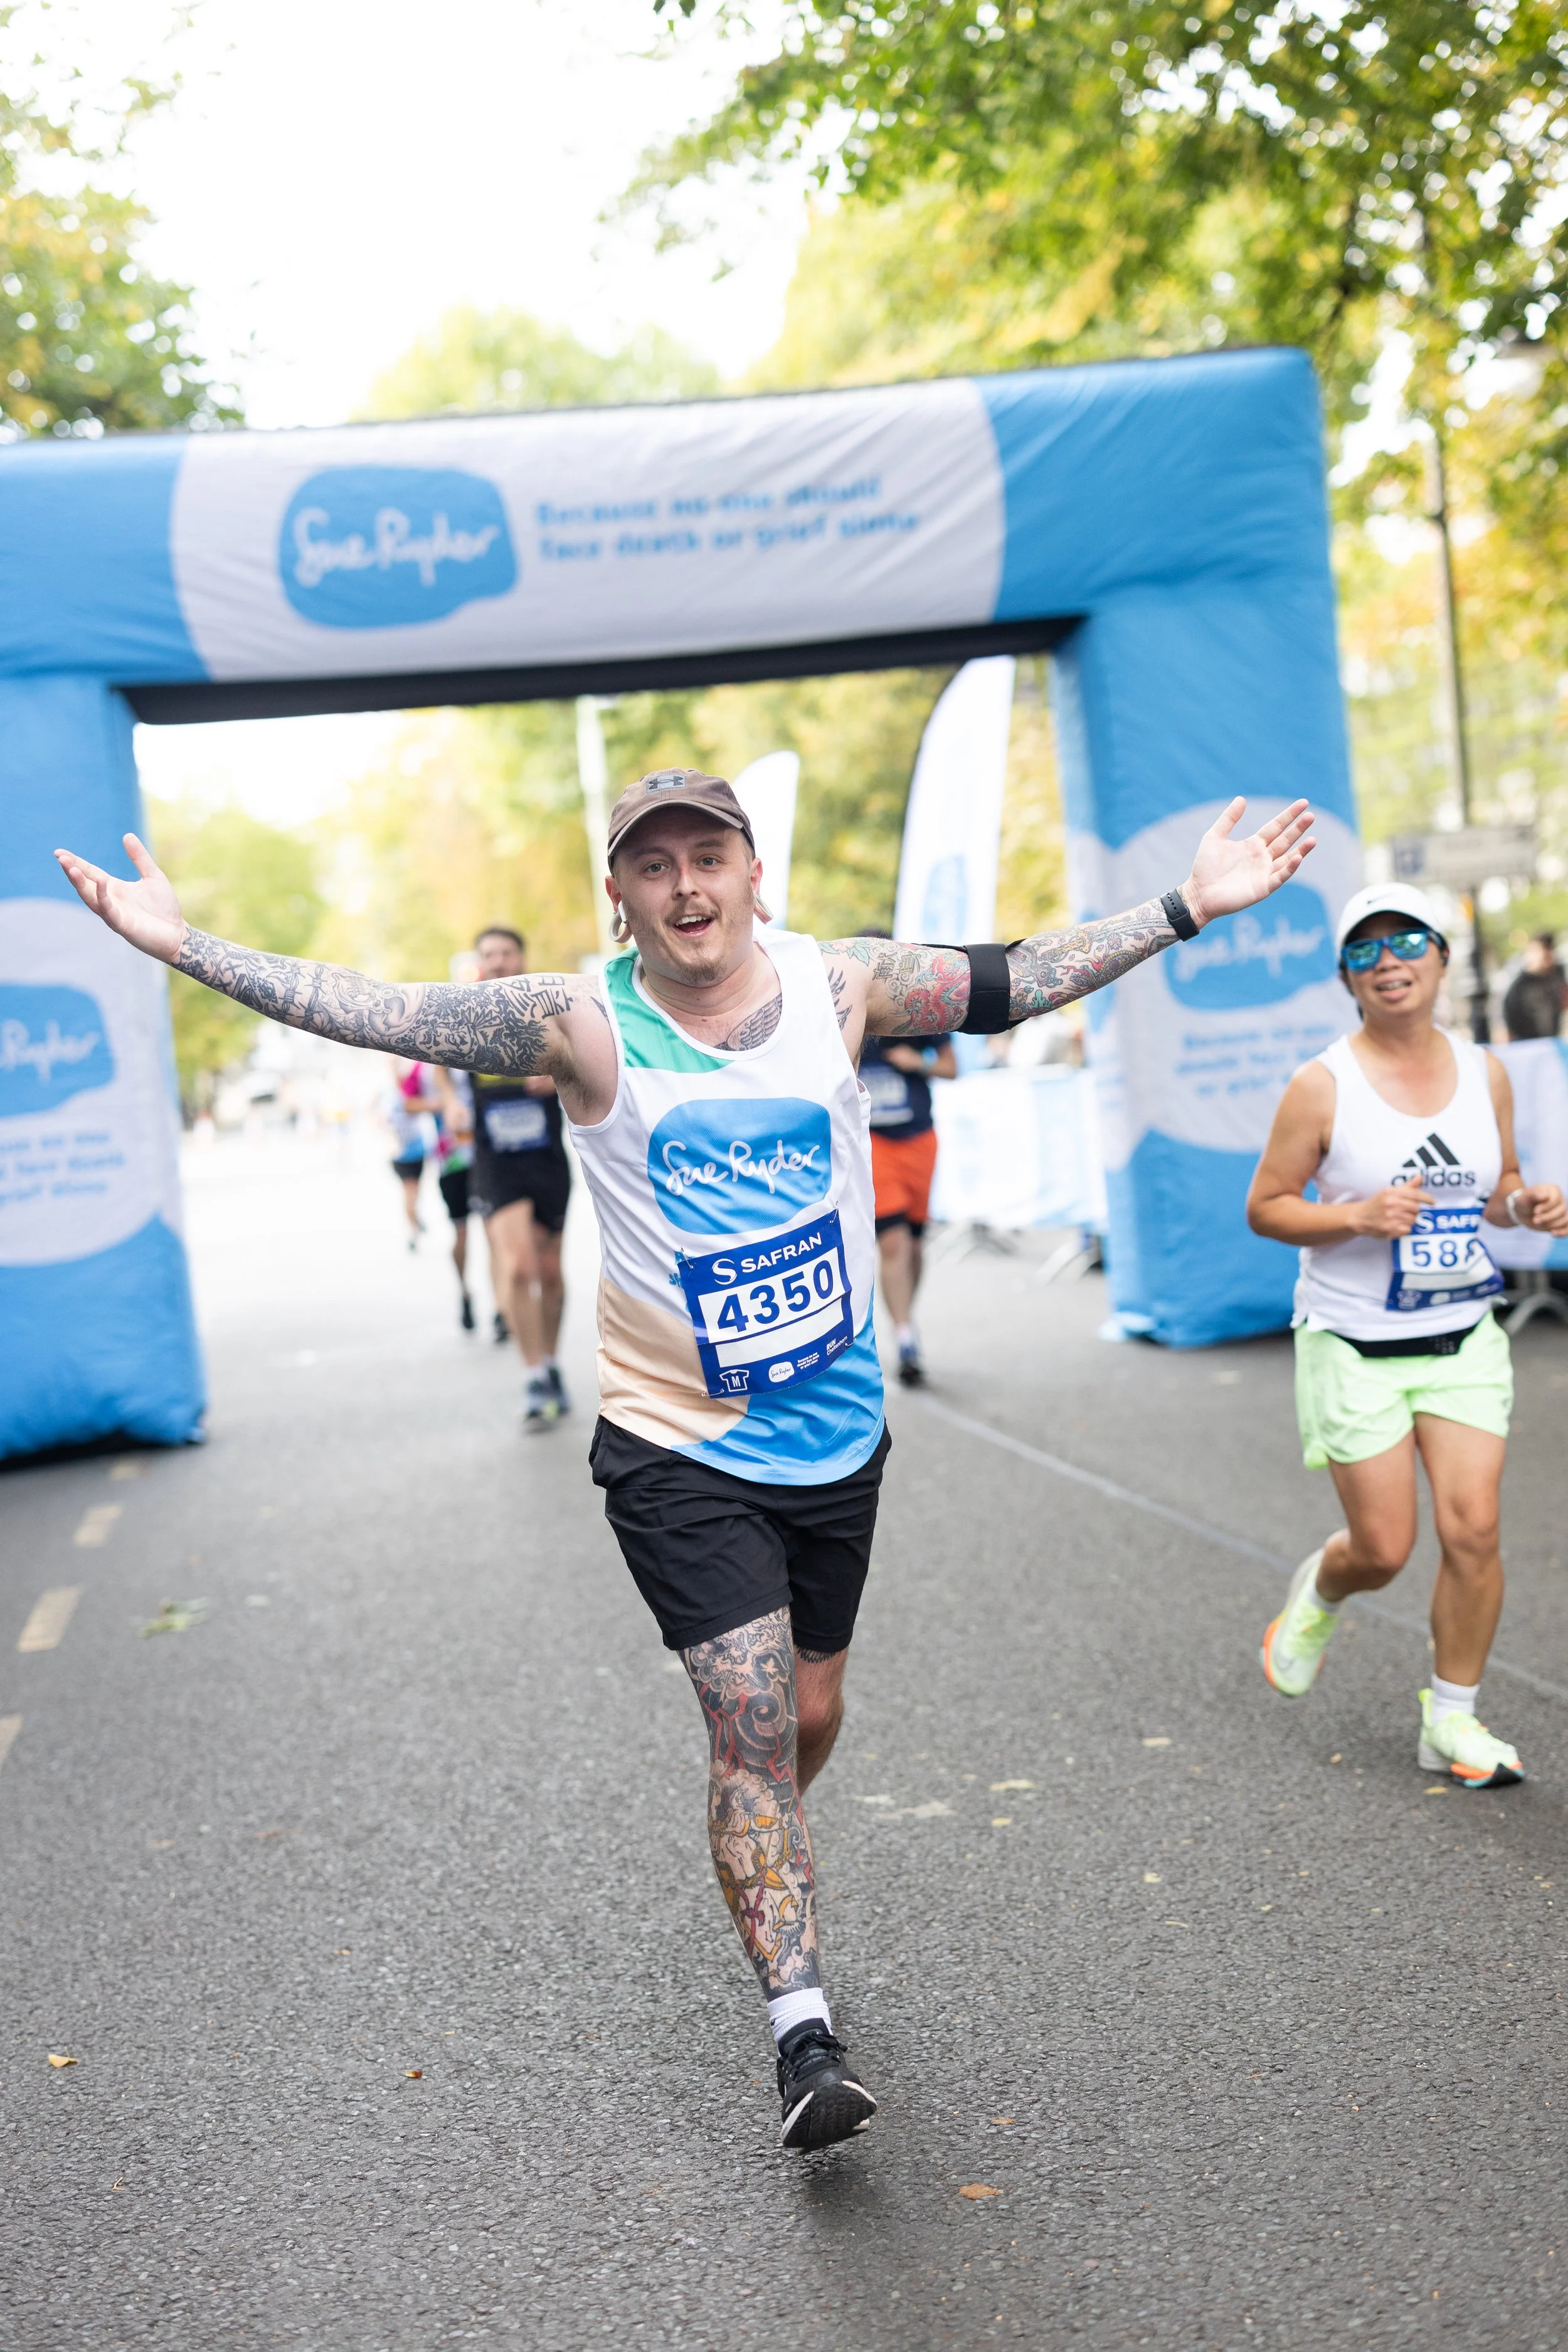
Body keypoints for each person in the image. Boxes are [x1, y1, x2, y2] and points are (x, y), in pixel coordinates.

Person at [56, 771, 1314, 2148]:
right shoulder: (580, 1025)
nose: (686, 887)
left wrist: (1189, 906)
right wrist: (185, 949)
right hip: (675, 1445)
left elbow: (1014, 978)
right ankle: (802, 2036)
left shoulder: (841, 989)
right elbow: (375, 1008)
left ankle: (756, 1829)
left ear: (751, 871)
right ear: (619, 895)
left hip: (835, 1438)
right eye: (652, 868)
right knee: (751, 1717)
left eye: (706, 857)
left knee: (807, 1721)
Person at [1247, 882, 1568, 1788]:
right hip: (1353, 1341)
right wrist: (1354, 1214)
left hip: (1461, 1331)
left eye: (1408, 942)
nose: (1389, 962)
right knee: (1384, 1547)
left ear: (1441, 957)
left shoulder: (1485, 1070)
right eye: (1365, 951)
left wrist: (1527, 1201)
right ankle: (1321, 1590)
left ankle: (1452, 1719)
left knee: (1475, 1530)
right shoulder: (1322, 1085)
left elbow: (1496, 1183)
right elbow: (1266, 1208)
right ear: (1347, 978)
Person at [437, 926, 573, 1431]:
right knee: (518, 1268)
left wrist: (559, 1074)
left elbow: (592, 1057)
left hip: (545, 1157)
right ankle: (534, 1375)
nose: (497, 961)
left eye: (506, 952)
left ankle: (553, 1363)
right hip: (495, 1159)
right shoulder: (466, 1014)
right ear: (479, 962)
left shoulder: (551, 1007)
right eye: (488, 954)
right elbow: (436, 1065)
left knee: (550, 1270)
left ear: (521, 957)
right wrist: (451, 1103)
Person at [855, 926, 956, 1385]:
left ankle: (905, 1317)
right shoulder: (845, 1012)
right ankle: (904, 1336)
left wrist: (920, 1065)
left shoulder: (924, 1006)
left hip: (919, 1139)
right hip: (875, 1145)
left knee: (914, 1245)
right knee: (892, 1242)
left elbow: (953, 1067)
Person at [433, 1065, 477, 1331]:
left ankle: (502, 1308)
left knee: (496, 1233)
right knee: (461, 1233)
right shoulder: (433, 1067)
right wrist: (445, 1105)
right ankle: (464, 1292)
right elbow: (408, 1103)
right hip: (452, 1162)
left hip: (486, 1158)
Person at [386, 1058, 430, 1249]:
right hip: (400, 1155)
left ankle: (415, 1221)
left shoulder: (412, 1093)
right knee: (409, 1194)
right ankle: (413, 1230)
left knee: (414, 1194)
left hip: (417, 1152)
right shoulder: (388, 1096)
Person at [1501, 931, 1566, 1042]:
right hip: (1527, 1045)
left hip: (1552, 1043)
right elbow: (1506, 1025)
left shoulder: (1556, 975)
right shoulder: (1519, 987)